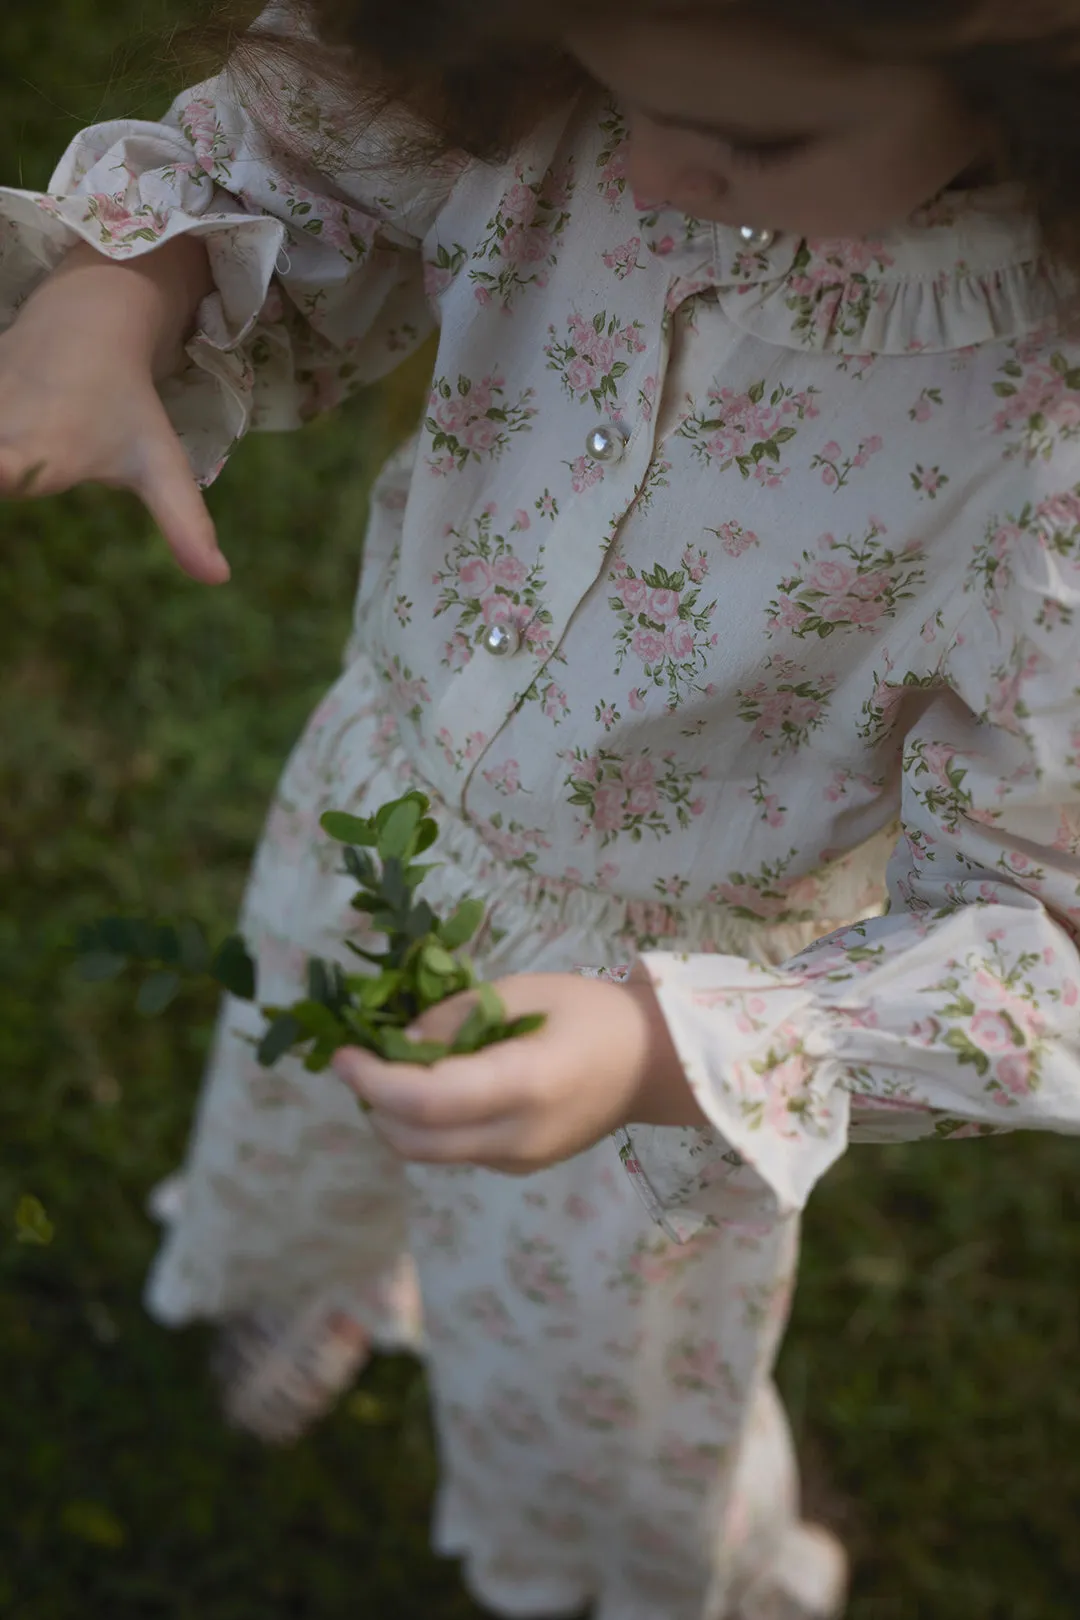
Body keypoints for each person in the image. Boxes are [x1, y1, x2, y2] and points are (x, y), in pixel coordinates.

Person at [5, 1, 1080, 1613]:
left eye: (751, 141)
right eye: (612, 97)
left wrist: (661, 1048)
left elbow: (1039, 930)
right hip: (386, 806)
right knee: (336, 1087)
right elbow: (297, 168)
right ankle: (355, 1271)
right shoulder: (560, 81)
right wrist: (118, 291)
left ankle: (651, 1572)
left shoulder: (1040, 425)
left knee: (601, 1380)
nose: (642, 176)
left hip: (637, 1019)